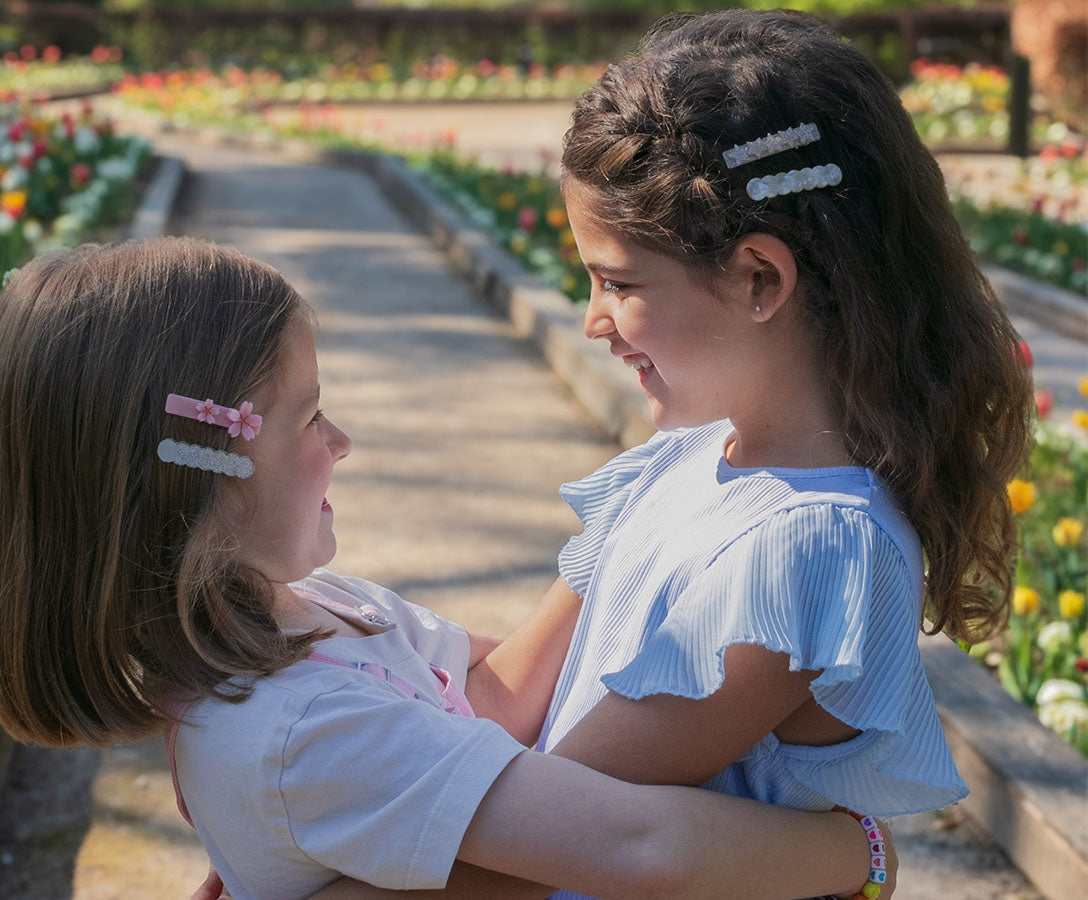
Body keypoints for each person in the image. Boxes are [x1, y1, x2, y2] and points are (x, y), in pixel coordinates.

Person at [298, 8, 1032, 900]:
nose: (594, 318)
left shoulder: (811, 553)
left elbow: (564, 832)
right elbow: (505, 697)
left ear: (760, 278)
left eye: (618, 282)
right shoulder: (679, 461)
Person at [0, 237, 894, 900]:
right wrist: (858, 854)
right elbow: (639, 845)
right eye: (309, 419)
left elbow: (494, 694)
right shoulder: (303, 729)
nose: (342, 441)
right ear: (197, 482)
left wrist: (637, 518)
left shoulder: (312, 616)